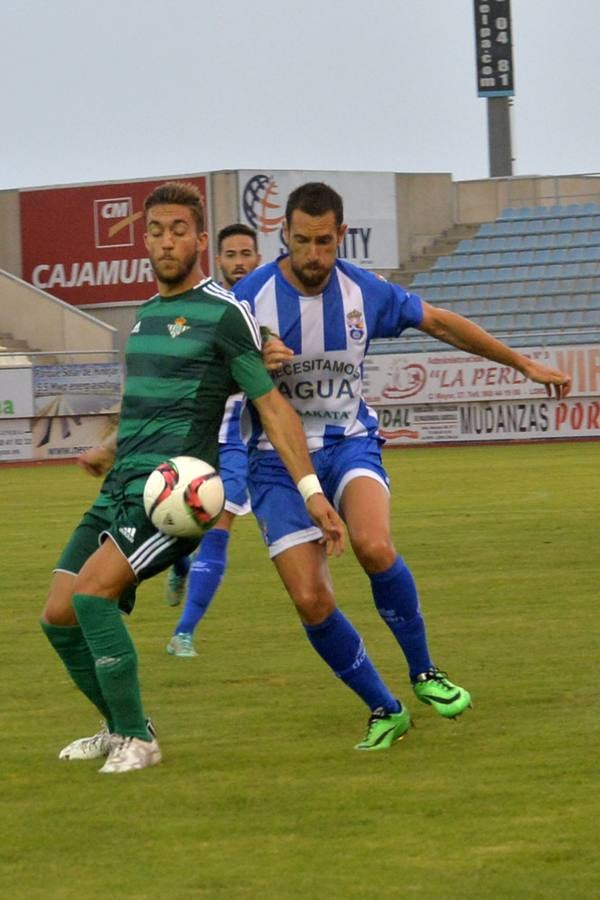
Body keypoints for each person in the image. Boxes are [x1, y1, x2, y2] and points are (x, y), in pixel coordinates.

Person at [232, 181, 572, 751]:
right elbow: (210, 378)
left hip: (348, 444)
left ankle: (425, 673)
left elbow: (437, 322)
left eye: (324, 242)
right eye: (301, 242)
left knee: (375, 546)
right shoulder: (246, 301)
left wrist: (521, 363)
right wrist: (246, 359)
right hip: (274, 463)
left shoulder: (365, 292)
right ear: (282, 235)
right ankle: (383, 708)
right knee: (312, 599)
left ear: (341, 235)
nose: (313, 255)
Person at [39, 181, 344, 774]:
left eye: (179, 230)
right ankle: (119, 725)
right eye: (156, 232)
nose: (166, 241)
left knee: (91, 597)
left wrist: (311, 492)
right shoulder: (146, 316)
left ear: (200, 240)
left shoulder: (225, 313)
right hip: (119, 488)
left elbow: (273, 408)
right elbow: (147, 406)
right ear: (146, 242)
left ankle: (139, 741)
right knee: (57, 615)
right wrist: (108, 450)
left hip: (172, 495)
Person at [164, 224, 262, 658]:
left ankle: (184, 633)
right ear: (218, 261)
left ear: (257, 258)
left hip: (232, 445)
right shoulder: (200, 310)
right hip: (187, 439)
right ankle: (179, 565)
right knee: (176, 528)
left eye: (246, 253)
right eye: (231, 255)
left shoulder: (266, 311)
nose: (239, 261)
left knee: (218, 529)